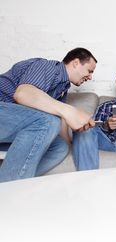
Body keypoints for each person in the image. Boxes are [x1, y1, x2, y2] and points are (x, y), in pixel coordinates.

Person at [0, 47, 97, 183]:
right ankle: (9, 193)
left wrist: (70, 142)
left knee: (59, 147)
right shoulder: (48, 67)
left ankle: (12, 181)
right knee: (47, 121)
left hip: (11, 127)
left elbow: (60, 121)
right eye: (89, 71)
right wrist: (70, 111)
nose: (90, 77)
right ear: (76, 63)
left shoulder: (62, 88)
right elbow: (23, 94)